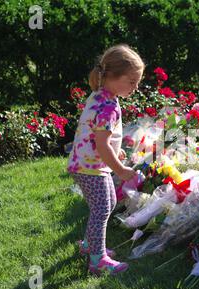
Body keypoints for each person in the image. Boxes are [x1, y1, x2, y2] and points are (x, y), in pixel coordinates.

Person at [67, 44, 144, 276]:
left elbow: (99, 137)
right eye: (131, 81)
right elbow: (101, 144)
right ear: (113, 76)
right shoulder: (108, 105)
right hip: (90, 167)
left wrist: (115, 150)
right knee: (101, 209)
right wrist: (120, 169)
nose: (135, 87)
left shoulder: (102, 95)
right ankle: (97, 260)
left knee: (107, 204)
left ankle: (91, 245)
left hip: (87, 163)